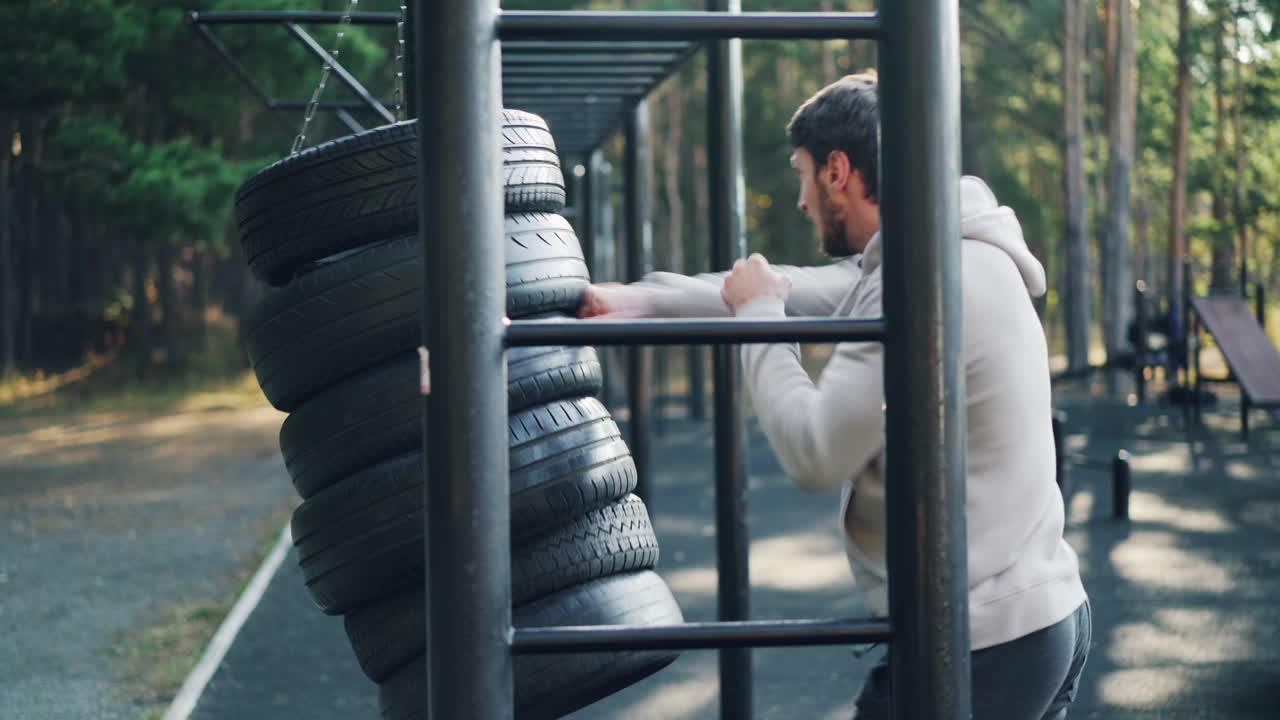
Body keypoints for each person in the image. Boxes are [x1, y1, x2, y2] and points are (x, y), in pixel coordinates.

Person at [577, 72, 1091, 719]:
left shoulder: (921, 278)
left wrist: (759, 317)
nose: (799, 200)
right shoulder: (951, 253)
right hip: (1038, 620)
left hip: (981, 644)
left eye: (802, 174)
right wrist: (641, 299)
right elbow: (801, 287)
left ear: (838, 170)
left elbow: (814, 454)